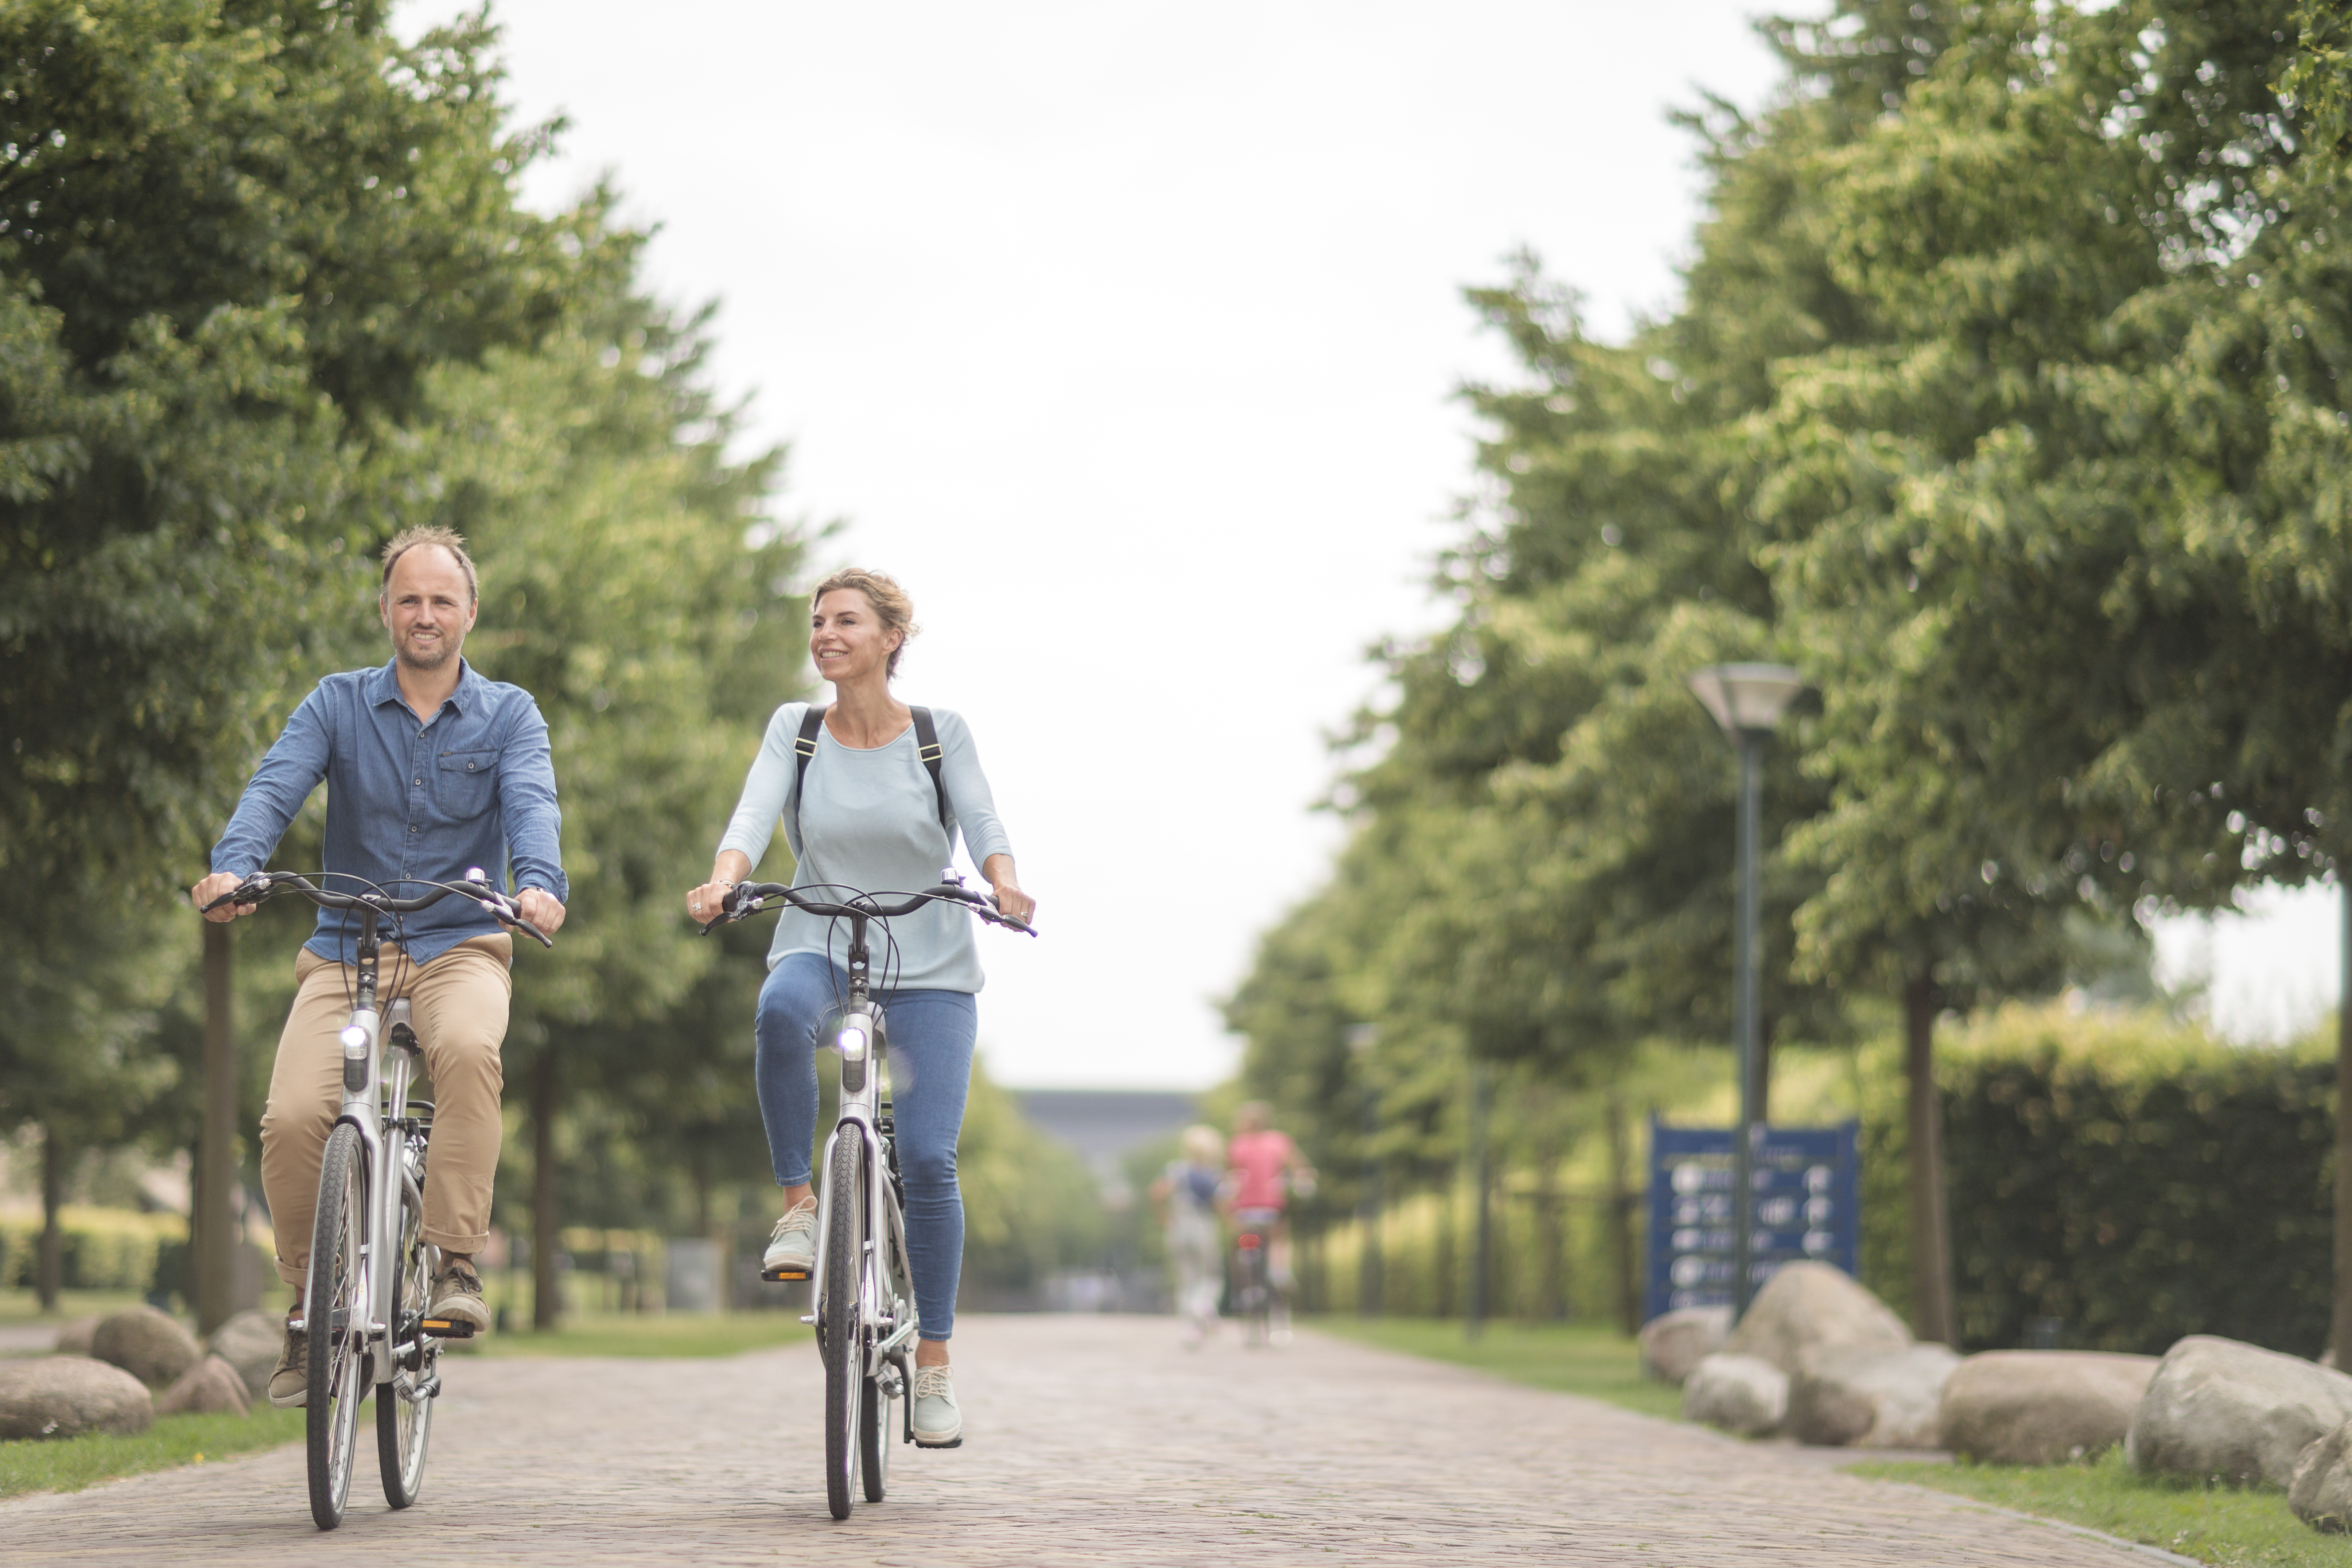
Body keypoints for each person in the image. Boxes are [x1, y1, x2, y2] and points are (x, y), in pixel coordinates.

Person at [190, 526, 568, 1407]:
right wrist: (237, 865)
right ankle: (307, 1308)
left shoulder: (511, 713)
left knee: (470, 1051)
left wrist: (540, 884)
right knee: (290, 1117)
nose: (425, 614)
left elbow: (532, 804)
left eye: (442, 600)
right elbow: (274, 786)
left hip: (459, 943)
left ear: (469, 612)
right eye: (410, 599)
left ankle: (454, 1262)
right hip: (346, 946)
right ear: (386, 611)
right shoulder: (336, 703)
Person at [685, 567, 1032, 1448]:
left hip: (930, 964)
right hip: (819, 940)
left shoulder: (936, 735)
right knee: (775, 1014)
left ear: (889, 638)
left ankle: (936, 1367)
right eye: (817, 621)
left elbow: (984, 821)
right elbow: (753, 811)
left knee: (926, 1157)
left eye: (845, 620)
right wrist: (724, 880)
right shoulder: (795, 732)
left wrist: (1004, 884)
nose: (825, 633)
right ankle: (801, 1203)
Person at [1225, 1101, 1314, 1339]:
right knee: (1278, 1239)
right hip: (1271, 1209)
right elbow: (1299, 1167)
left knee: (1243, 1246)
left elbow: (1231, 1178)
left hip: (1245, 1211)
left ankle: (1245, 1289)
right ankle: (1279, 1270)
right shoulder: (1279, 1141)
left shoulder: (1237, 1145)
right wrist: (1302, 1181)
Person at [1150, 1125, 1227, 1346]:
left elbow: (1156, 1194)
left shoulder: (1175, 1170)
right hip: (1203, 1227)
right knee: (1211, 1275)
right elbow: (1220, 1204)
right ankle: (1203, 1307)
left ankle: (1190, 1329)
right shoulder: (1212, 1175)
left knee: (1186, 1280)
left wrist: (1163, 1218)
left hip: (1178, 1228)